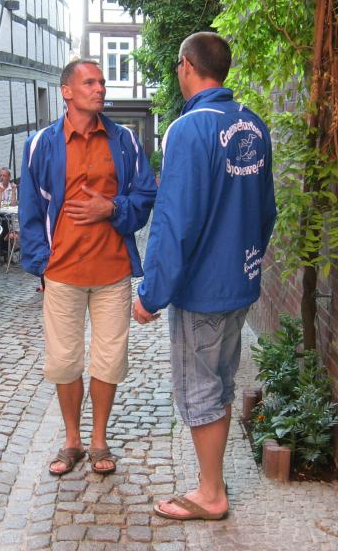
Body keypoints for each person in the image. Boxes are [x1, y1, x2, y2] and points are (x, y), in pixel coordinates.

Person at [133, 33, 277, 521]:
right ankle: (212, 481)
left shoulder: (188, 129)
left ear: (187, 67)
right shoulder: (254, 124)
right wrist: (247, 261)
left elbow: (174, 220)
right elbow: (266, 210)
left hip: (202, 290)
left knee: (199, 389)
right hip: (240, 281)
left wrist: (151, 293)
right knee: (220, 383)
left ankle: (211, 493)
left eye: (179, 65)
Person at [19, 59, 156, 477]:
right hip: (62, 273)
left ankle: (99, 440)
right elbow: (30, 208)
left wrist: (111, 208)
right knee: (64, 361)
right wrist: (42, 264)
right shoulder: (40, 144)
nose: (100, 88)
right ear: (67, 91)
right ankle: (72, 440)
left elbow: (146, 195)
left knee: (109, 361)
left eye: (102, 82)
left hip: (112, 272)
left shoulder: (124, 141)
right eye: (90, 82)